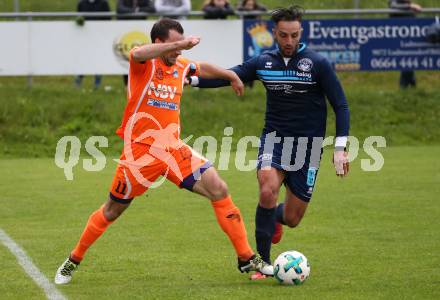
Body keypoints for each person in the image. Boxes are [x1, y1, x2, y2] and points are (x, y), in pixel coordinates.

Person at [54, 18, 272, 285]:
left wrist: (230, 75)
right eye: (174, 45)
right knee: (112, 210)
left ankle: (245, 257)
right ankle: (73, 259)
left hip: (173, 150)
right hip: (140, 155)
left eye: (181, 46)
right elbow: (137, 52)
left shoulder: (179, 65)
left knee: (219, 188)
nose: (180, 51)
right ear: (158, 42)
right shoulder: (143, 64)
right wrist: (182, 43)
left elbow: (201, 67)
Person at [190, 6, 350, 279]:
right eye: (284, 35)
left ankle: (274, 217)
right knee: (267, 190)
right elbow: (231, 75)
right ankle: (262, 264)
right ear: (274, 33)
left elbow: (341, 105)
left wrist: (340, 148)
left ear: (301, 33)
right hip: (274, 141)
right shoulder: (264, 61)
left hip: (307, 149)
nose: (289, 41)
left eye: (294, 35)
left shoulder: (317, 64)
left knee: (293, 218)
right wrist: (188, 80)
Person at [117, 0, 156, 86]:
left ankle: (142, 82)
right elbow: (119, 9)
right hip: (126, 32)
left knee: (142, 58)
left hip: (142, 32)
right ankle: (127, 84)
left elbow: (152, 9)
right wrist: (135, 11)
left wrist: (137, 10)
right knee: (126, 58)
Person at [75, 0, 111, 89]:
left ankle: (97, 83)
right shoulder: (81, 3)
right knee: (83, 58)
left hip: (99, 37)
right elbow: (79, 18)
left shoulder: (103, 3)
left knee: (98, 58)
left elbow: (108, 19)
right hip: (84, 38)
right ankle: (79, 79)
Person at [389, 0, 422, 88]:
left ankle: (411, 84)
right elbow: (393, 5)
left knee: (410, 59)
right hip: (400, 37)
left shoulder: (407, 5)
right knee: (406, 59)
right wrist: (410, 6)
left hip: (411, 36)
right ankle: (404, 85)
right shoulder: (395, 2)